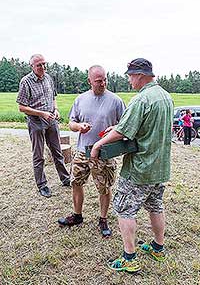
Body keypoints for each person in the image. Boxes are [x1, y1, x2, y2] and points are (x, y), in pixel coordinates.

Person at [91, 58, 174, 273]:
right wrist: (118, 126)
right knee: (156, 206)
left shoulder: (141, 99)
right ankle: (158, 247)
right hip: (160, 167)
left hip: (140, 169)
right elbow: (144, 126)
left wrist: (98, 143)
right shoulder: (165, 97)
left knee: (124, 209)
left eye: (130, 76)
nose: (129, 81)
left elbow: (123, 132)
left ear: (139, 75)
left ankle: (129, 258)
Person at [58, 65, 126, 237]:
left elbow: (126, 126)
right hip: (82, 151)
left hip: (105, 153)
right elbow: (71, 123)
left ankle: (103, 219)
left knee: (104, 187)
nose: (103, 83)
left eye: (105, 79)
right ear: (89, 81)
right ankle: (77, 215)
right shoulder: (80, 100)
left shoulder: (116, 101)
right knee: (76, 182)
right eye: (98, 81)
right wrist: (79, 126)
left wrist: (115, 128)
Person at [16, 54, 70, 198]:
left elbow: (53, 97)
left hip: (51, 119)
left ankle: (65, 179)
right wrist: (41, 113)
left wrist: (56, 109)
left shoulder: (48, 78)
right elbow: (21, 107)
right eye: (39, 65)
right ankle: (42, 185)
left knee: (57, 152)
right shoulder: (25, 82)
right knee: (38, 155)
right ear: (32, 66)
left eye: (44, 64)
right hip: (36, 122)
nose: (43, 67)